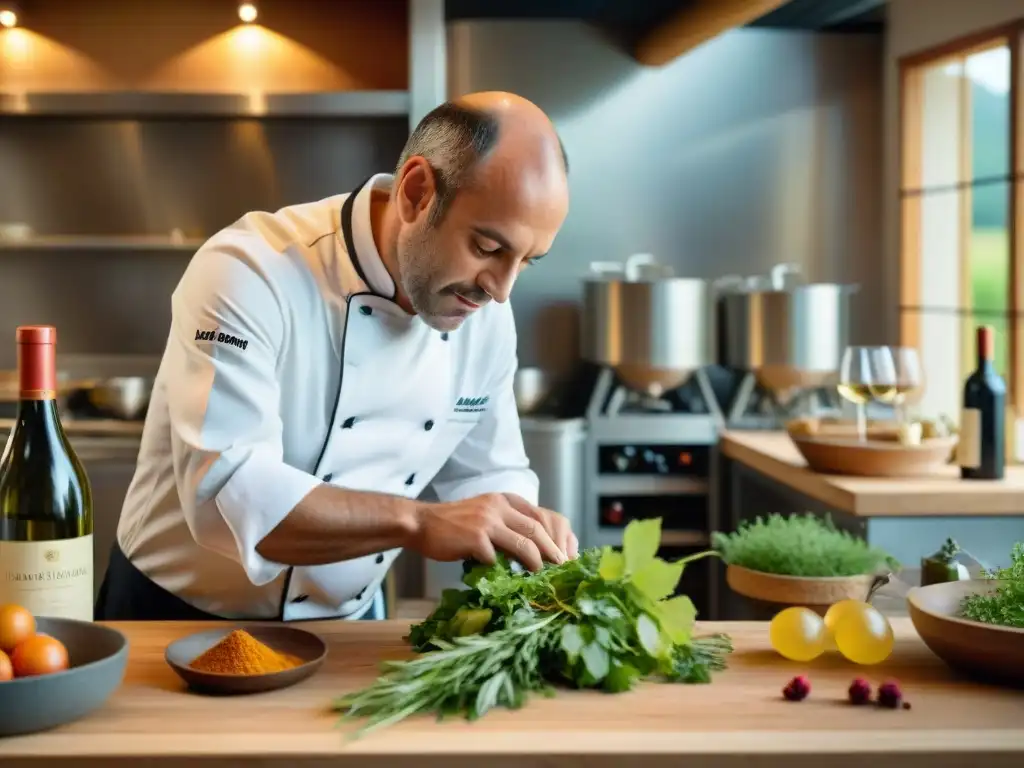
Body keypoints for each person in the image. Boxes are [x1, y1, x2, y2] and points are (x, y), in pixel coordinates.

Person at [94, 91, 576, 623]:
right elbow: (229, 493)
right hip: (172, 619)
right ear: (416, 193)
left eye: (526, 260)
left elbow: (488, 471)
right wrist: (419, 523)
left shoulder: (483, 312)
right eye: (487, 248)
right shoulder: (251, 271)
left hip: (347, 627)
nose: (501, 289)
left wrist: (523, 529)